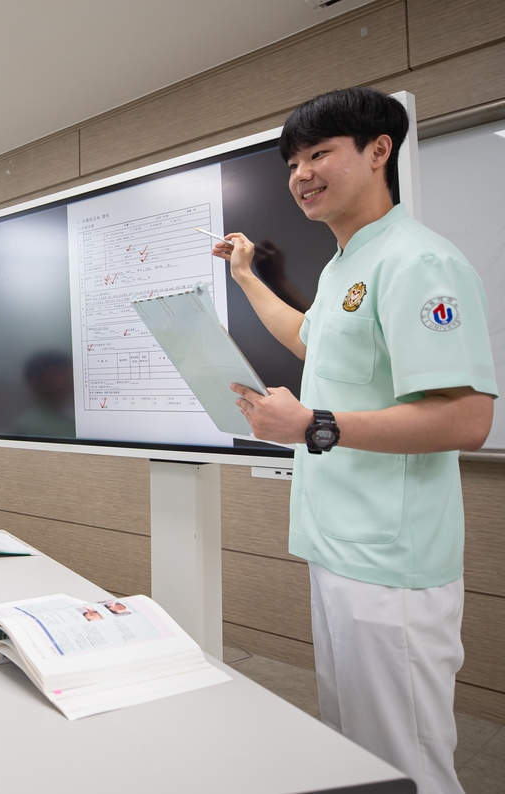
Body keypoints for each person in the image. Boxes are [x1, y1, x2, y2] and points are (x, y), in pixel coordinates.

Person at [213, 87, 496, 794]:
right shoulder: (345, 266)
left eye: (318, 153)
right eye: (293, 161)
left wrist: (312, 424)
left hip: (390, 565)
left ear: (379, 152)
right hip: (336, 548)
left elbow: (466, 417)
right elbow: (311, 341)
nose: (300, 173)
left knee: (407, 765)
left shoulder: (418, 262)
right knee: (358, 754)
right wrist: (245, 277)